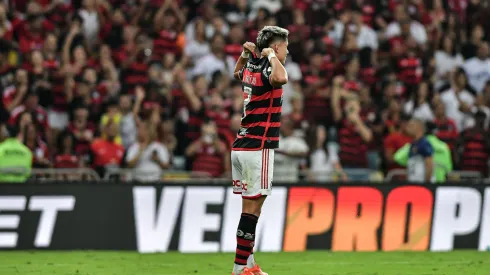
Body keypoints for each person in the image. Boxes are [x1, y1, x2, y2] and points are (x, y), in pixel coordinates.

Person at [230, 26, 289, 275]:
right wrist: (273, 57)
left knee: (249, 209)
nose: (287, 51)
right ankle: (240, 268)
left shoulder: (252, 65)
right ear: (275, 47)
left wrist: (245, 54)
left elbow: (236, 73)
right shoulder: (269, 66)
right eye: (285, 47)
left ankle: (248, 264)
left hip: (242, 145)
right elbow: (281, 78)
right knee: (252, 211)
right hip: (259, 146)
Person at [400, 119, 435, 183]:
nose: (407, 128)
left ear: (419, 128)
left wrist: (427, 183)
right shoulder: (413, 144)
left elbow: (429, 164)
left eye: (411, 126)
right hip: (413, 182)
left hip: (422, 183)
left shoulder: (424, 143)